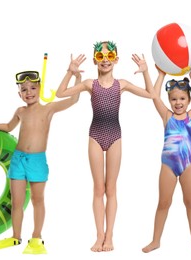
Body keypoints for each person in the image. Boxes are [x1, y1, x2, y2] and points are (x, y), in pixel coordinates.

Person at [56, 41, 153, 252]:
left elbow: (151, 94)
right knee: (98, 189)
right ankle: (99, 235)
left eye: (110, 57)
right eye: (100, 57)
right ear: (95, 61)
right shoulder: (90, 84)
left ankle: (110, 237)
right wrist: (70, 72)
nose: (106, 60)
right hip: (95, 136)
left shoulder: (122, 84)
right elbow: (59, 93)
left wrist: (146, 72)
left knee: (111, 189)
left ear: (116, 60)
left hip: (115, 136)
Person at [0, 70, 80, 254]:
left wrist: (75, 75)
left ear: (40, 89)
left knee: (37, 199)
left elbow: (74, 100)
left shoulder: (48, 108)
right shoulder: (20, 111)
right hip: (18, 160)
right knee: (17, 201)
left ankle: (36, 236)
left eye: (32, 88)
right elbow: (8, 127)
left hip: (37, 161)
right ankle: (16, 237)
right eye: (24, 90)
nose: (28, 92)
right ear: (19, 94)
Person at [142, 66, 191, 253]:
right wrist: (161, 75)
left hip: (188, 164)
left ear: (188, 100)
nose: (178, 102)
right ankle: (155, 240)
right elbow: (154, 96)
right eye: (173, 99)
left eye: (182, 99)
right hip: (168, 166)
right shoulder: (167, 116)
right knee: (163, 203)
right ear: (169, 101)